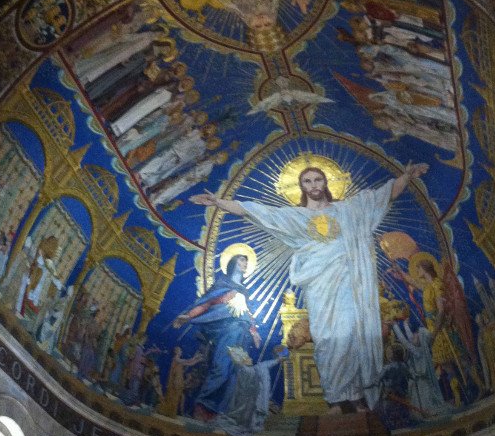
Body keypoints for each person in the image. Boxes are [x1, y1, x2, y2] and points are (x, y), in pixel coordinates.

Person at [191, 162, 427, 413]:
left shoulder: (349, 210)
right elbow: (256, 211)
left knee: (349, 332)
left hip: (347, 282)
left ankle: (356, 396)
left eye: (317, 180)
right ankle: (336, 398)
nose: (313, 185)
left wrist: (406, 176)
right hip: (319, 284)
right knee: (325, 337)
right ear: (302, 187)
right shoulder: (296, 216)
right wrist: (218, 202)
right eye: (307, 181)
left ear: (325, 182)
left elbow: (382, 196)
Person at [173, 253, 261, 420]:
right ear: (234, 262)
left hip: (241, 335)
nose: (245, 264)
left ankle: (221, 411)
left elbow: (247, 313)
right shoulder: (223, 283)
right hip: (227, 331)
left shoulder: (244, 290)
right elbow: (207, 303)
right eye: (242, 260)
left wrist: (254, 332)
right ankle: (203, 406)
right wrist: (189, 315)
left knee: (236, 372)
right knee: (221, 368)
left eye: (246, 261)